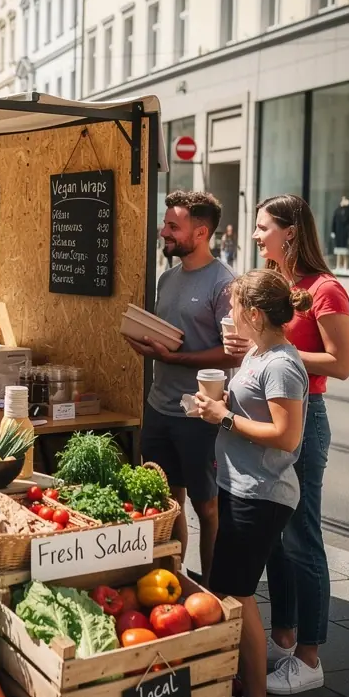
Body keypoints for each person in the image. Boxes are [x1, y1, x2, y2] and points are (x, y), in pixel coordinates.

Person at [240, 194, 349, 697]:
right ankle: (285, 639)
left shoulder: (326, 289)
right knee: (277, 537)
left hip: (305, 420)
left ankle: (310, 657)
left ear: (290, 231)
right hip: (272, 413)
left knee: (303, 537)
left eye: (263, 227)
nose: (257, 236)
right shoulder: (280, 285)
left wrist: (278, 350)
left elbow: (340, 363)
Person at [194, 269, 310, 697]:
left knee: (239, 594)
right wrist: (216, 410)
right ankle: (248, 684)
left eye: (235, 306)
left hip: (261, 494)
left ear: (255, 314)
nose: (229, 313)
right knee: (228, 591)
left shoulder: (281, 363)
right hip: (242, 486)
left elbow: (287, 436)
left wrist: (223, 419)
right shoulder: (260, 353)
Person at [125, 191, 238, 581]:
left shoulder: (225, 284)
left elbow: (233, 353)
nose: (164, 231)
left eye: (174, 226)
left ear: (201, 232)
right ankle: (173, 579)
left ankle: (214, 591)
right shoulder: (167, 278)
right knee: (167, 503)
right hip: (159, 409)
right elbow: (171, 335)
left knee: (208, 508)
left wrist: (178, 359)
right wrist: (144, 342)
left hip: (199, 415)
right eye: (166, 224)